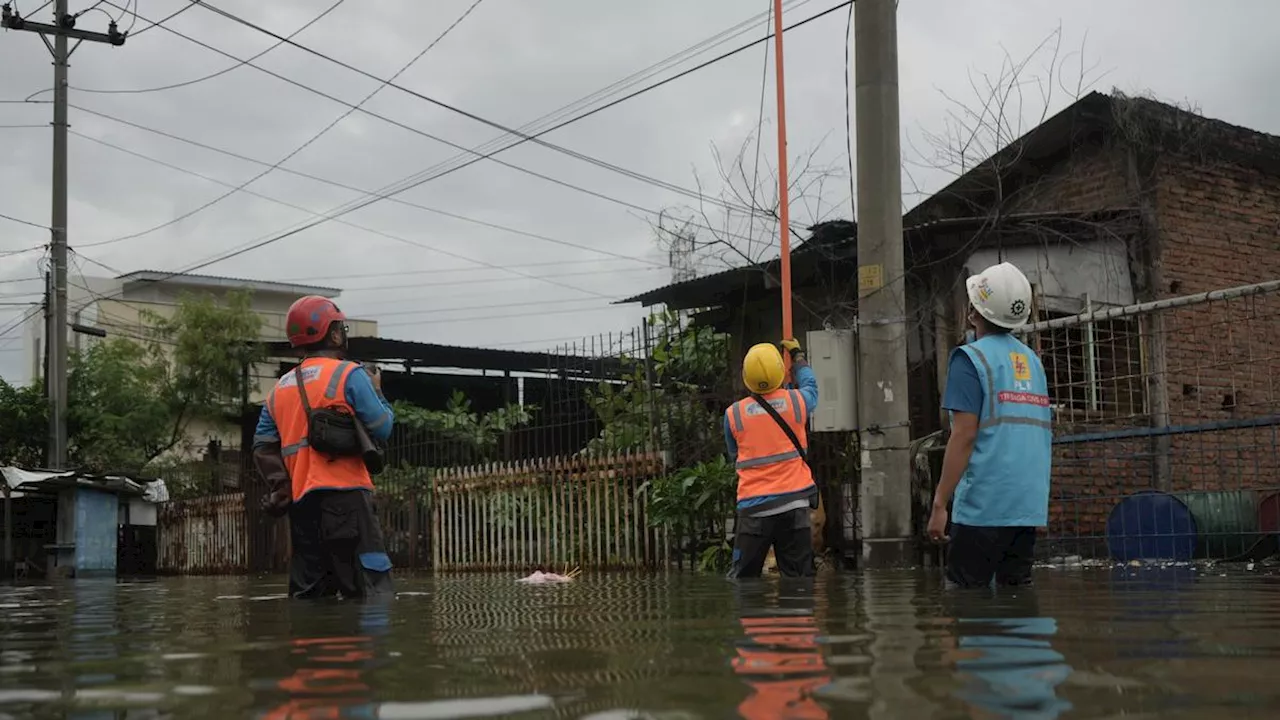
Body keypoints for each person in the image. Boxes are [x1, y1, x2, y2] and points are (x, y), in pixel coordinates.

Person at [253, 295, 396, 599]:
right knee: (371, 591)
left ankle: (308, 644)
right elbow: (383, 426)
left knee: (309, 595)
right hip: (348, 500)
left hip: (303, 505)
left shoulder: (278, 389)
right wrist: (377, 391)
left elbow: (262, 446)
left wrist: (281, 487)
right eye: (340, 327)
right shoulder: (350, 374)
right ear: (332, 333)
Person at [928, 262, 1053, 589]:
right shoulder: (1034, 363)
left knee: (964, 602)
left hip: (983, 508)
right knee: (1017, 601)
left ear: (973, 312)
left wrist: (941, 502)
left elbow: (964, 435)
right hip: (1027, 507)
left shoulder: (969, 359)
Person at [724, 338, 820, 579]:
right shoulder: (797, 402)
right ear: (780, 370)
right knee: (799, 581)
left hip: (754, 509)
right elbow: (811, 385)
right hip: (795, 506)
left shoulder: (734, 414)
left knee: (743, 581)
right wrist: (798, 356)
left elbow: (735, 455)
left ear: (747, 377)